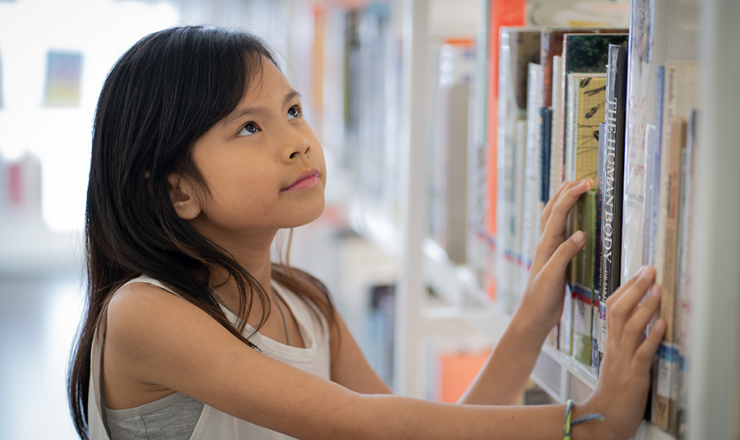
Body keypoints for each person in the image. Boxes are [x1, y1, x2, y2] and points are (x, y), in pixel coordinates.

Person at [68, 26, 665, 440]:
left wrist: (534, 318)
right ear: (178, 190)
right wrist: (587, 425)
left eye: (294, 110)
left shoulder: (306, 303)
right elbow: (357, 424)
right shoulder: (142, 312)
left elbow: (419, 429)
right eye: (250, 127)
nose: (298, 140)